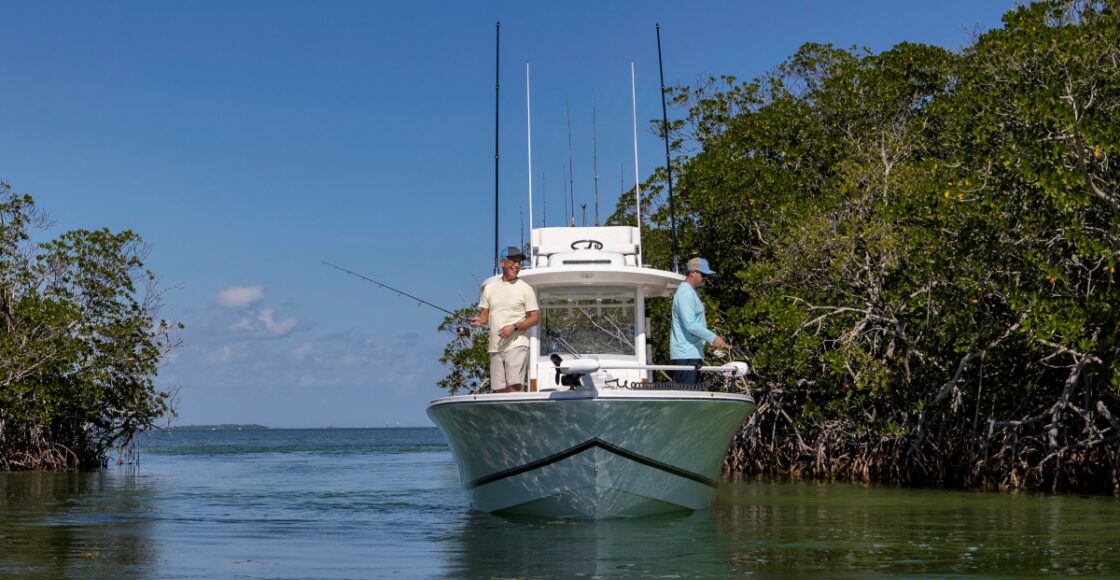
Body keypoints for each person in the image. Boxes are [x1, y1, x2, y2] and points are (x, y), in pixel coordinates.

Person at [470, 246, 540, 393]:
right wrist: (479, 320)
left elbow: (535, 318)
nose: (517, 265)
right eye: (513, 261)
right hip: (495, 347)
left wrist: (514, 327)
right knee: (499, 390)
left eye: (519, 262)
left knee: (514, 388)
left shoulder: (525, 289)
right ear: (502, 263)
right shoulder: (490, 288)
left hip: (517, 345)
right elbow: (484, 315)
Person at [670, 256, 726, 384]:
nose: (706, 278)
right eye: (703, 274)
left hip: (691, 354)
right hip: (686, 355)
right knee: (687, 396)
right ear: (692, 273)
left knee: (692, 395)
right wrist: (713, 337)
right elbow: (690, 324)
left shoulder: (689, 292)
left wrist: (706, 341)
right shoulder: (685, 292)